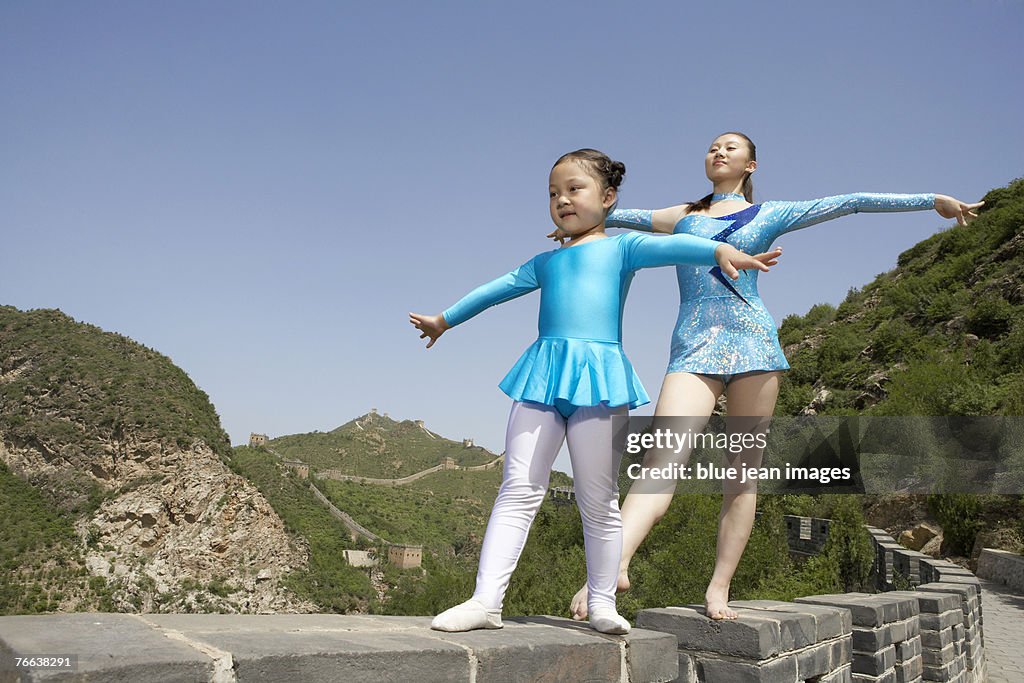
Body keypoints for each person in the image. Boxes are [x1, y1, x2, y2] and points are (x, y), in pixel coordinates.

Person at [563, 131, 984, 621]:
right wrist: (572, 214)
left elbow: (849, 203)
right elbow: (607, 214)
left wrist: (932, 201)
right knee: (661, 462)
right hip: (693, 349)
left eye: (730, 148)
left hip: (754, 346)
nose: (717, 152)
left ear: (751, 165)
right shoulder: (682, 217)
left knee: (741, 477)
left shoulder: (770, 214)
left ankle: (719, 588)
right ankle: (612, 569)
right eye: (711, 147)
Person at [409, 148, 780, 634]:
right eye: (553, 193)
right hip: (543, 372)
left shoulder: (623, 248)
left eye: (574, 189)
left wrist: (717, 251)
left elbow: (674, 247)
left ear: (607, 198)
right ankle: (485, 601)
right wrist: (445, 320)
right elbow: (495, 287)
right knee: (518, 489)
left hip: (600, 378)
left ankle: (603, 602)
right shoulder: (544, 262)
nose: (562, 199)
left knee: (598, 497)